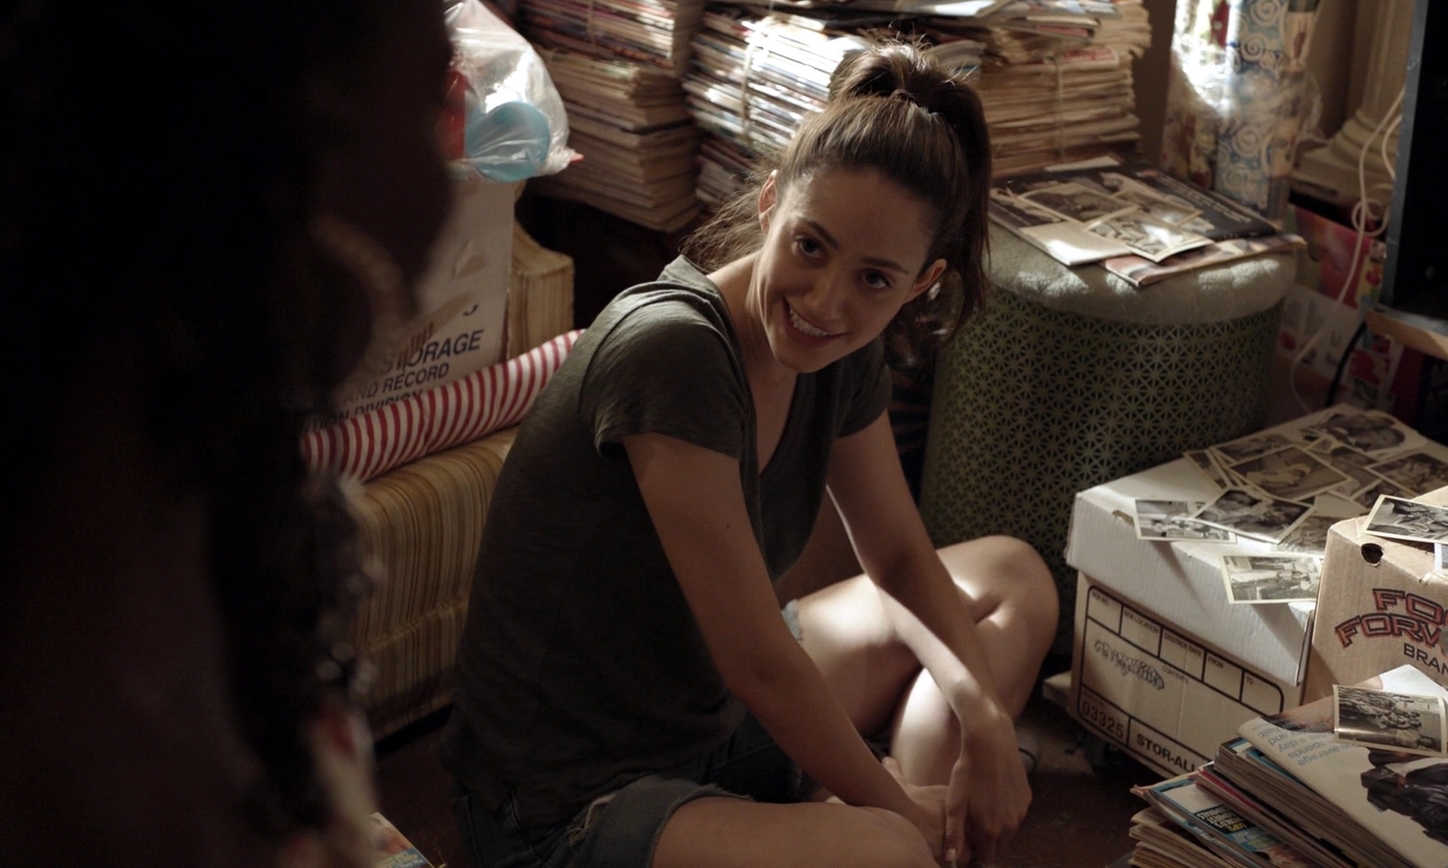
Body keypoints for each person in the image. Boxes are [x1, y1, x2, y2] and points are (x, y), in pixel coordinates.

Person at [440, 42, 1058, 868]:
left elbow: (900, 557)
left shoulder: (841, 347)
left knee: (1013, 580)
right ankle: (892, 826)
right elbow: (759, 663)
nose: (826, 301)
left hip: (709, 724)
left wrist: (984, 720)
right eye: (811, 246)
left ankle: (902, 818)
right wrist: (893, 813)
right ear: (771, 203)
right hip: (566, 799)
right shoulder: (673, 352)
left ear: (920, 283)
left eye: (875, 279)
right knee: (886, 849)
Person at [1, 0, 452, 865]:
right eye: (434, 101)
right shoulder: (72, 727)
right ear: (308, 132)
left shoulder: (225, 492)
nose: (448, 188)